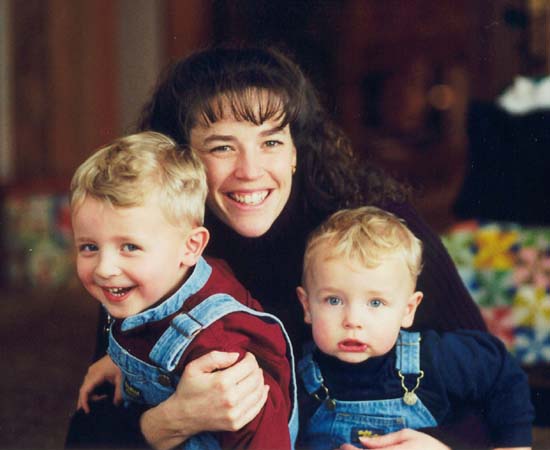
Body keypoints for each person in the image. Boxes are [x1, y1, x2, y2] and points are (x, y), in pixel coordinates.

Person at [65, 45, 488, 450]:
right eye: (222, 147)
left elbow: (493, 384)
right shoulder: (149, 249)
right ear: (183, 161)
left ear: (295, 151)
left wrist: (444, 445)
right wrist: (177, 419)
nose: (250, 171)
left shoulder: (378, 228)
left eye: (270, 142)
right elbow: (85, 436)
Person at [69, 131, 297, 449]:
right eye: (89, 247)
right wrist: (120, 359)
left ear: (190, 247)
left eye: (130, 247)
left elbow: (264, 436)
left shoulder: (217, 346)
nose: (104, 268)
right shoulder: (156, 284)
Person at [295, 206, 534, 450]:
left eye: (375, 302)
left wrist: (513, 445)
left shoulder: (433, 359)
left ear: (408, 310)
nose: (353, 320)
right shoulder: (297, 379)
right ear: (307, 306)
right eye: (334, 300)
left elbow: (500, 371)